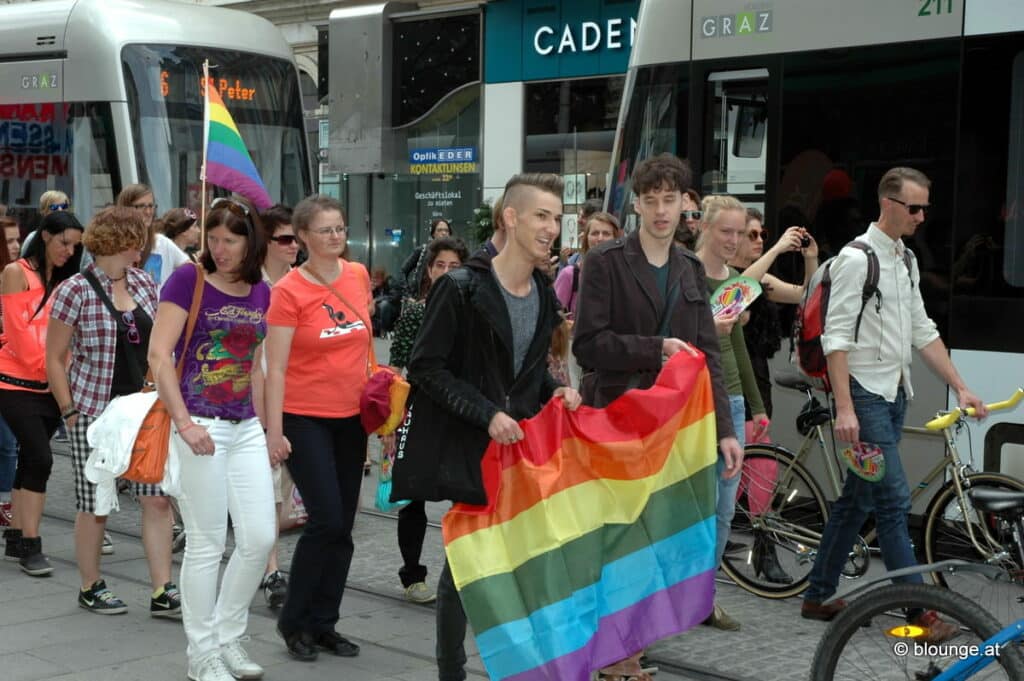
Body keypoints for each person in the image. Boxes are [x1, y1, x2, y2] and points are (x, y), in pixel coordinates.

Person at [404, 172, 581, 681]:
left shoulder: (544, 292)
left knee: (525, 558)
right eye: (541, 216)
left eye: (556, 217)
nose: (552, 227)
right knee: (465, 565)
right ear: (511, 217)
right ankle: (452, 673)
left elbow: (526, 374)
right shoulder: (461, 287)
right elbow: (426, 368)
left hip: (522, 450)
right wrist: (488, 413)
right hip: (473, 446)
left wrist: (557, 391)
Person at [572, 154, 740, 678]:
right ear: (637, 204)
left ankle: (627, 649)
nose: (662, 211)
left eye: (671, 200)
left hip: (674, 427)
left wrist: (727, 431)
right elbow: (587, 345)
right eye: (651, 201)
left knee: (654, 541)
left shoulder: (690, 268)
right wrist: (656, 349)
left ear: (686, 203)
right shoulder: (604, 262)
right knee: (620, 539)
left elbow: (709, 355)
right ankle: (617, 656)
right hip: (619, 419)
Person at [800, 167, 982, 644]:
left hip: (893, 393)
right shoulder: (857, 261)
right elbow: (836, 339)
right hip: (863, 398)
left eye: (926, 207)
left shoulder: (904, 259)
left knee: (857, 499)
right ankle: (919, 613)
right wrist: (845, 409)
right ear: (888, 204)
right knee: (893, 502)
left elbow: (922, 329)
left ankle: (818, 594)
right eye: (914, 208)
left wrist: (960, 386)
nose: (923, 217)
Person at [148, 197, 275, 681]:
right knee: (205, 543)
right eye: (214, 240)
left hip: (244, 427)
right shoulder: (188, 281)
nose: (219, 249)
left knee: (259, 537)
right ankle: (201, 653)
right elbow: (160, 357)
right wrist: (184, 423)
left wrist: (264, 429)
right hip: (198, 422)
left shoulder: (260, 291)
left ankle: (229, 635)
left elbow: (255, 367)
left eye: (231, 240)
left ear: (251, 242)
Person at [45, 205, 180, 616]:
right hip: (95, 412)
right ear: (117, 242)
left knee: (156, 499)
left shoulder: (144, 283)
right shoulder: (75, 289)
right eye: (134, 241)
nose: (140, 249)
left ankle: (162, 590)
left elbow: (161, 347)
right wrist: (69, 412)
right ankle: (91, 585)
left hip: (144, 410)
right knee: (95, 502)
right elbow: (55, 357)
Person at [264, 195, 369, 663]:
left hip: (353, 416)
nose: (335, 237)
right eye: (325, 230)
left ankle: (325, 623)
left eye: (340, 228)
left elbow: (364, 349)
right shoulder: (288, 291)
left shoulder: (358, 275)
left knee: (343, 525)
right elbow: (276, 368)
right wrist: (273, 429)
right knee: (324, 518)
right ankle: (294, 622)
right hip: (304, 417)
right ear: (303, 237)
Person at [730, 210, 819, 585]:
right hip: (728, 381)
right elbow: (736, 293)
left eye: (761, 234)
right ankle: (723, 548)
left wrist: (810, 258)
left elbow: (807, 294)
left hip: (756, 378)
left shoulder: (761, 278)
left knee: (760, 466)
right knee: (740, 467)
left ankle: (762, 548)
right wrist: (780, 247)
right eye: (750, 235)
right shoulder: (729, 278)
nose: (758, 240)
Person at [693, 195, 769, 630]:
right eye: (727, 231)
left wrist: (756, 406)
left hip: (732, 402)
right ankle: (678, 594)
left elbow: (738, 349)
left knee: (723, 508)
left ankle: (704, 596)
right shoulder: (686, 274)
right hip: (694, 401)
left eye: (740, 233)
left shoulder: (735, 278)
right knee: (695, 506)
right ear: (705, 228)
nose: (734, 240)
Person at [0, 211, 84, 575]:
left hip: (51, 384)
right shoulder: (16, 273)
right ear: (45, 236)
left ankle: (16, 536)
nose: (69, 251)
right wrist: (57, 371)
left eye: (75, 246)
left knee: (31, 461)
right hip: (14, 382)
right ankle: (31, 546)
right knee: (41, 458)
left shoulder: (68, 282)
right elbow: (20, 339)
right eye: (64, 242)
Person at [385, 236, 468, 605]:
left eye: (455, 267)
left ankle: (463, 574)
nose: (447, 273)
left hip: (461, 412)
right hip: (418, 410)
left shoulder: (474, 311)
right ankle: (412, 575)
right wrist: (389, 422)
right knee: (413, 496)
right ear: (427, 271)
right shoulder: (415, 312)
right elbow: (395, 369)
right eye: (440, 266)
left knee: (463, 496)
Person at [253, 203, 295, 609]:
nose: (293, 246)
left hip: (299, 400)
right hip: (259, 402)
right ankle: (271, 571)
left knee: (281, 496)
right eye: (285, 239)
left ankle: (265, 562)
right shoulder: (255, 286)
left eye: (297, 238)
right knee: (269, 490)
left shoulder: (301, 282)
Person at [117, 184, 190, 288]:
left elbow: (193, 272)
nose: (148, 212)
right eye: (141, 206)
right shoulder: (113, 246)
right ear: (125, 209)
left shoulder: (162, 243)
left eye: (151, 206)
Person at [553, 211, 620, 319]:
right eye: (595, 233)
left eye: (606, 234)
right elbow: (552, 315)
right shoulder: (570, 274)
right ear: (586, 238)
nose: (600, 238)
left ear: (616, 238)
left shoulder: (623, 274)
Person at [0, 216, 20, 527]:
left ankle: (4, 499)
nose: (15, 246)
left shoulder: (18, 276)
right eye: (9, 241)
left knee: (8, 440)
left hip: (10, 370)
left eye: (18, 239)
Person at [401, 217, 451, 293]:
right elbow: (403, 271)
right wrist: (407, 293)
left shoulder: (454, 253)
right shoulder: (422, 251)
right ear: (433, 233)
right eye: (440, 230)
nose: (443, 233)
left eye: (446, 230)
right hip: (424, 297)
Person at [19, 190, 72, 257]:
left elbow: (85, 266)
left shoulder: (76, 238)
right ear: (44, 212)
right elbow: (23, 265)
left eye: (64, 206)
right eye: (54, 207)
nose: (60, 210)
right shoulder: (33, 238)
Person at [370, 267, 403, 337]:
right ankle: (373, 328)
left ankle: (384, 329)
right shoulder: (376, 287)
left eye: (376, 279)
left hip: (392, 308)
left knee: (384, 304)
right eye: (373, 278)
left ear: (382, 278)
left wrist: (377, 300)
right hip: (379, 308)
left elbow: (394, 297)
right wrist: (370, 290)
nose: (374, 281)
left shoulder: (390, 282)